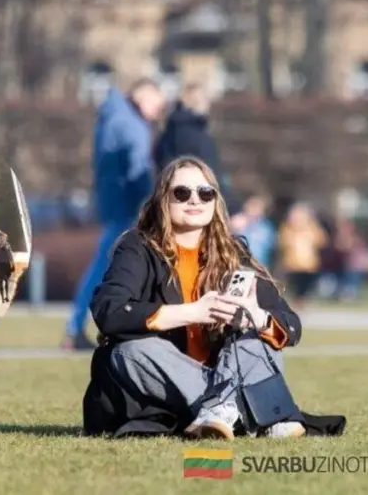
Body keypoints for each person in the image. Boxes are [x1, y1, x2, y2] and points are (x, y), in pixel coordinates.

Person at [83, 156, 306, 439]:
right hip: (167, 388)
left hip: (221, 372)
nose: (194, 201)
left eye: (205, 193)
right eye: (181, 193)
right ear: (163, 200)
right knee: (131, 352)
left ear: (215, 201)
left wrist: (255, 316)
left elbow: (291, 326)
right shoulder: (137, 247)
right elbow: (109, 310)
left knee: (256, 341)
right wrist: (194, 312)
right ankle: (245, 412)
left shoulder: (233, 251)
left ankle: (221, 413)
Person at [65, 78, 167, 350]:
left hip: (113, 204)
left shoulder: (111, 117)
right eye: (158, 104)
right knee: (106, 267)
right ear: (144, 96)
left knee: (104, 265)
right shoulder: (132, 125)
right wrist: (150, 203)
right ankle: (76, 327)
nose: (159, 111)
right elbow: (138, 168)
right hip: (127, 207)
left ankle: (76, 327)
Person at [153, 83, 235, 208]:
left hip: (170, 200)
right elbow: (211, 174)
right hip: (198, 202)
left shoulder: (167, 133)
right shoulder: (198, 136)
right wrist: (232, 208)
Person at [278, 203, 328, 308]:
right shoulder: (288, 229)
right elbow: (283, 242)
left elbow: (322, 241)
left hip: (309, 264)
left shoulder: (313, 228)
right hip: (292, 264)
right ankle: (293, 301)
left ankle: (301, 301)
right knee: (292, 285)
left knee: (305, 285)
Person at [230, 194, 276, 269]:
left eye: (257, 207)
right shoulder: (237, 221)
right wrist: (233, 228)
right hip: (238, 264)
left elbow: (271, 247)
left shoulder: (265, 227)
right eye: (252, 205)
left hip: (260, 265)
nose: (254, 209)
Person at [0, 231, 15, 303]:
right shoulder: (6, 244)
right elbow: (10, 255)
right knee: (6, 280)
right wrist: (13, 264)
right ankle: (6, 296)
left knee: (1, 281)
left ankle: (3, 298)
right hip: (4, 264)